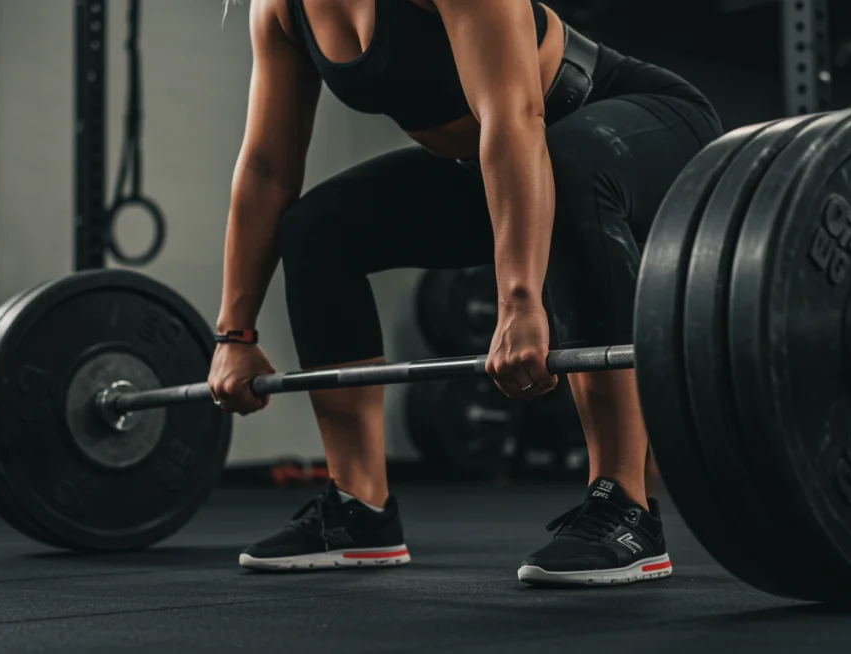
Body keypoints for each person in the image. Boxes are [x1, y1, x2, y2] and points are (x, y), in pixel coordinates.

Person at [209, 0, 723, 586]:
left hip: (637, 126)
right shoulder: (279, 10)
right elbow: (267, 168)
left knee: (567, 163)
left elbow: (513, 117)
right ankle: (360, 508)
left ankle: (625, 507)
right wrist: (234, 333)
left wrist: (520, 302)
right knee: (317, 230)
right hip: (505, 164)